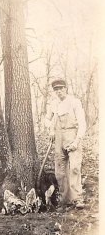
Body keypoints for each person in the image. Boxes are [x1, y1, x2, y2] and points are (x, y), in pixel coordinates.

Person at [45, 79, 86, 209]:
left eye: (61, 88)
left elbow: (82, 123)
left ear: (66, 89)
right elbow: (46, 119)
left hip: (72, 136)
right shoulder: (53, 104)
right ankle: (65, 200)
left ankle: (78, 199)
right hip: (58, 138)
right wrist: (50, 129)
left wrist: (77, 141)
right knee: (60, 171)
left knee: (74, 168)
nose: (59, 91)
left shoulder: (74, 102)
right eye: (56, 89)